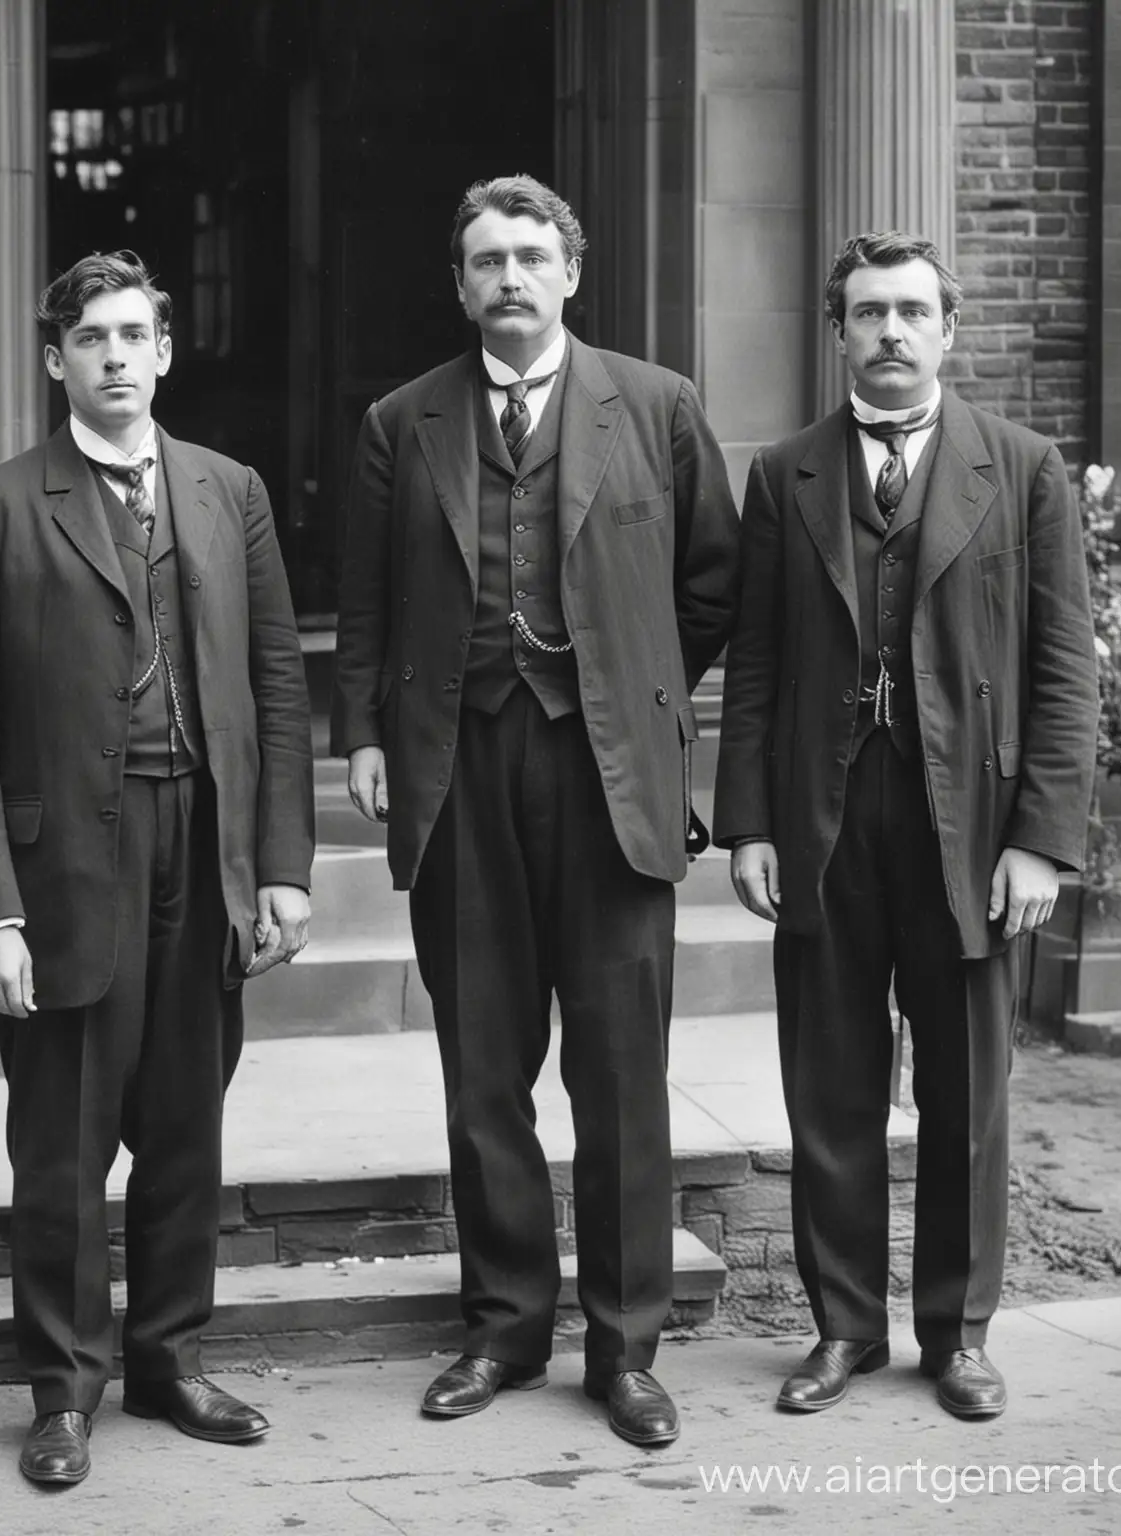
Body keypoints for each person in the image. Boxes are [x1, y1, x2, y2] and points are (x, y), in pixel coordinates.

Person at [334, 175, 738, 1447]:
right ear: (459, 287)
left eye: (529, 255)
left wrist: (638, 687)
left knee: (620, 1072)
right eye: (485, 260)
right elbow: (364, 604)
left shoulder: (658, 407)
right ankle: (504, 1327)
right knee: (484, 1069)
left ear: (571, 272)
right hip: (460, 772)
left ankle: (624, 1349)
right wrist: (365, 736)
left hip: (608, 774)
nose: (509, 277)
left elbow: (715, 584)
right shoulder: (403, 422)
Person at [0, 251, 314, 1485]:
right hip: (65, 869)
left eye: (135, 335)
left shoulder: (227, 491)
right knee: (64, 1139)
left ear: (165, 350)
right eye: (91, 338)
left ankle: (168, 1362)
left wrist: (283, 868)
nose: (116, 357)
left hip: (204, 847)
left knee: (188, 1122)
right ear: (57, 361)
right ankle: (64, 1389)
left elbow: (277, 689)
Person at [713, 231, 1098, 1421]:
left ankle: (959, 1332)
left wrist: (1041, 836)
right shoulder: (786, 474)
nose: (890, 331)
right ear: (839, 332)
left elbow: (1062, 670)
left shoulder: (1022, 467)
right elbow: (760, 660)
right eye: (868, 312)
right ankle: (844, 1330)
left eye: (912, 312)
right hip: (827, 815)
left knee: (968, 1087)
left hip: (969, 824)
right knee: (829, 1083)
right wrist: (748, 826)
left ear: (948, 330)